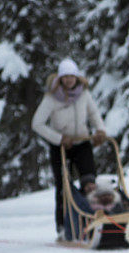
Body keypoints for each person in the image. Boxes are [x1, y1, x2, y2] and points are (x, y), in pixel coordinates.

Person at [32, 58, 107, 238]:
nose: (69, 80)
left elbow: (94, 113)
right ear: (60, 78)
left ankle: (91, 220)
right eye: (65, 77)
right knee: (63, 186)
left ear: (77, 77)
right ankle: (62, 227)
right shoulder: (51, 97)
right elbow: (37, 123)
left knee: (89, 183)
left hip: (82, 142)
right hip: (61, 146)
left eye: (72, 76)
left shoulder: (84, 94)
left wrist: (100, 130)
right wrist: (59, 138)